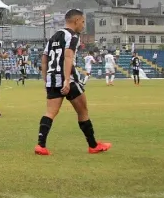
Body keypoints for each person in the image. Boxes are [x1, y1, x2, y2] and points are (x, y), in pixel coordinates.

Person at [35, 9, 111, 155]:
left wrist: (46, 79)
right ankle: (93, 145)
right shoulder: (73, 36)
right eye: (82, 22)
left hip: (52, 78)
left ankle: (40, 145)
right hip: (68, 79)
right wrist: (66, 81)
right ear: (76, 21)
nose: (83, 25)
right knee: (83, 111)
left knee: (50, 112)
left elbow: (44, 59)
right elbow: (68, 57)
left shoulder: (54, 36)